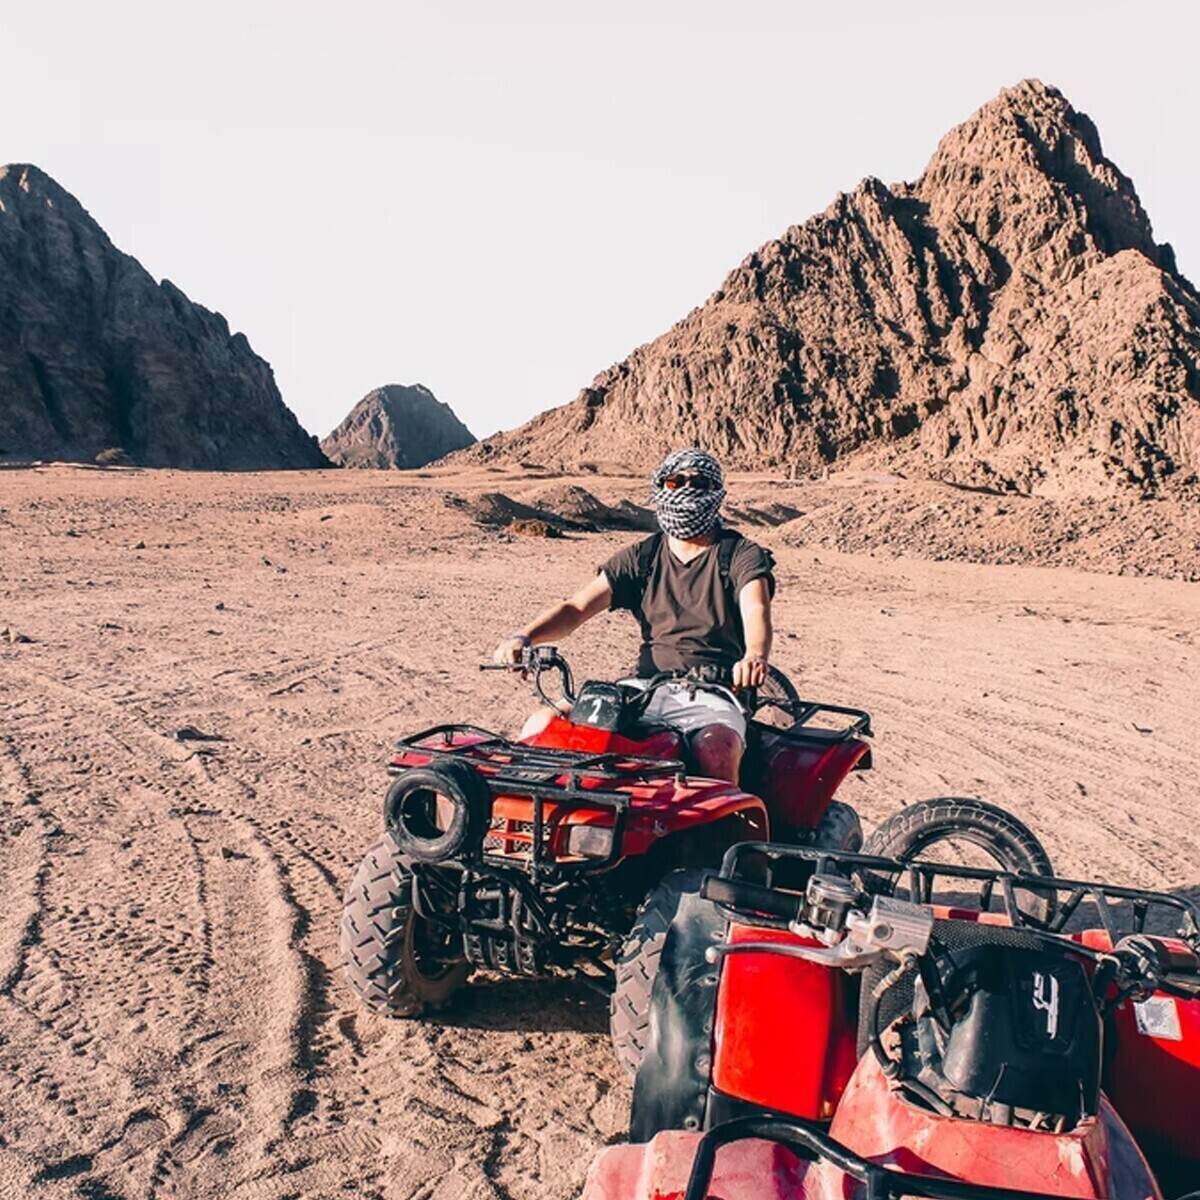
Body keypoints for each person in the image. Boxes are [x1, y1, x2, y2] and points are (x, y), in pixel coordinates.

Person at [492, 448, 775, 783]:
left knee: (717, 751)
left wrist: (755, 655)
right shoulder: (644, 557)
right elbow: (576, 608)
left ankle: (727, 836)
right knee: (543, 726)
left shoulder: (740, 554)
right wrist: (524, 637)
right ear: (661, 487)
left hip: (713, 693)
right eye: (675, 482)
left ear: (716, 491)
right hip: (643, 688)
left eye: (699, 483)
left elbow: (756, 607)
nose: (687, 489)